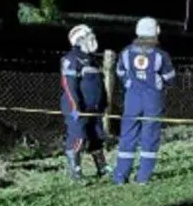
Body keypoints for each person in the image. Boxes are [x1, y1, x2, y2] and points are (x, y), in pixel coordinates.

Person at [113, 17, 176, 184]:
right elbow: (170, 78)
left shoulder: (126, 52)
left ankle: (120, 176)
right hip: (152, 99)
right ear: (155, 32)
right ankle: (143, 177)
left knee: (127, 136)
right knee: (150, 136)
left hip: (132, 97)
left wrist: (129, 81)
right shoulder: (160, 54)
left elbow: (119, 72)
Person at [60, 24, 109, 180]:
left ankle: (102, 168)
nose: (93, 39)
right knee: (78, 137)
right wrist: (75, 106)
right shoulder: (71, 59)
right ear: (80, 39)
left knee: (97, 137)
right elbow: (69, 85)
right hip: (78, 108)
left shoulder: (93, 60)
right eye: (89, 36)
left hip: (94, 108)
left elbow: (100, 85)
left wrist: (104, 103)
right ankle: (76, 172)